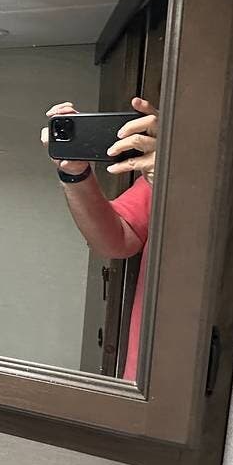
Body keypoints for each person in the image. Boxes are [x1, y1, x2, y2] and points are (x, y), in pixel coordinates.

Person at [40, 97, 159, 381]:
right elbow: (117, 240)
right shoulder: (156, 175)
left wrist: (181, 181)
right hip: (142, 372)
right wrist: (74, 172)